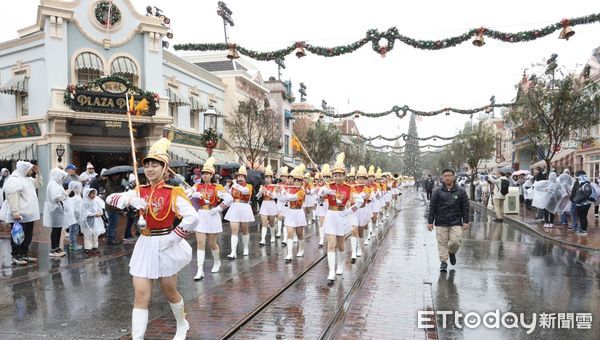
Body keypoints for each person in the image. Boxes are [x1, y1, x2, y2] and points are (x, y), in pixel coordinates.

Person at [106, 138, 198, 340]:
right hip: (145, 245)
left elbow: (193, 218)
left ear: (165, 169)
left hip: (166, 244)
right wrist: (130, 199)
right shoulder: (139, 190)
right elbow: (110, 199)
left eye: (155, 165)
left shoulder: (173, 192)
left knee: (170, 291)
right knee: (140, 295)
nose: (149, 169)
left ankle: (182, 324)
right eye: (147, 165)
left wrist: (173, 238)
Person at [319, 153, 363, 286]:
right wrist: (323, 194)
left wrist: (348, 211)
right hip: (331, 215)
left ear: (344, 175)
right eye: (335, 174)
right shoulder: (328, 186)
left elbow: (359, 202)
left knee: (341, 244)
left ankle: (340, 265)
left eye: (340, 174)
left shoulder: (349, 188)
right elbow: (319, 201)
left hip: (342, 216)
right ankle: (331, 271)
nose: (337, 177)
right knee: (331, 244)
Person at [188, 156, 232, 280]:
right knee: (200, 243)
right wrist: (192, 195)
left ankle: (217, 262)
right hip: (201, 214)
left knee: (212, 243)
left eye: (207, 173)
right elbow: (186, 196)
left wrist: (218, 209)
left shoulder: (216, 187)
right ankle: (200, 270)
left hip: (213, 215)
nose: (205, 176)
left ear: (212, 174)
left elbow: (229, 199)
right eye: (203, 173)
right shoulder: (197, 186)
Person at [427, 168, 469, 271]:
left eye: (449, 175)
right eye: (445, 176)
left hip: (455, 222)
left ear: (453, 177)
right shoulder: (437, 192)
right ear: (442, 178)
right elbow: (432, 207)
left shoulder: (460, 192)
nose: (447, 178)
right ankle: (443, 262)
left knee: (456, 241)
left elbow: (465, 206)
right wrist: (430, 222)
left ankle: (451, 252)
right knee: (442, 242)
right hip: (441, 222)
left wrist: (466, 221)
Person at [0, 161, 42, 265]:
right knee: (18, 235)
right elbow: (12, 196)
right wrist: (15, 212)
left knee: (27, 236)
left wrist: (38, 174)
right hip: (20, 215)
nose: (31, 171)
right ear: (24, 169)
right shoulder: (14, 179)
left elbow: (39, 184)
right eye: (30, 169)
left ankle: (24, 253)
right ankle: (16, 255)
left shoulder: (27, 179)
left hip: (28, 215)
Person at [277, 164, 308, 264]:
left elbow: (292, 197)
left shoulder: (302, 191)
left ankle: (301, 249)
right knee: (289, 233)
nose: (296, 182)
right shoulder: (289, 189)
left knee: (299, 234)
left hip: (299, 212)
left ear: (301, 181)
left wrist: (283, 190)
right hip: (290, 212)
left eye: (299, 180)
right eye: (295, 180)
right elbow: (282, 199)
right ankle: (289, 253)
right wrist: (279, 192)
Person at [224, 166, 254, 259]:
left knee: (245, 230)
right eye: (238, 176)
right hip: (234, 207)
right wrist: (227, 186)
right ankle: (233, 252)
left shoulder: (248, 186)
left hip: (244, 207)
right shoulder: (233, 186)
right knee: (234, 230)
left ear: (245, 178)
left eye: (241, 176)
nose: (239, 178)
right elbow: (225, 195)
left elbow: (245, 192)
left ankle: (246, 248)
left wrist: (235, 185)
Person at [348, 166, 372, 264]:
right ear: (357, 179)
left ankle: (360, 249)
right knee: (354, 230)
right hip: (354, 211)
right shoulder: (352, 188)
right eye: (359, 178)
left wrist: (355, 196)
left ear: (366, 180)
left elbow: (363, 197)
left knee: (361, 232)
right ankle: (353, 252)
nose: (361, 180)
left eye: (363, 178)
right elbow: (350, 199)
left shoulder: (368, 189)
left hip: (362, 211)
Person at [44, 168, 69, 257]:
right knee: (55, 229)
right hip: (54, 208)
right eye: (61, 176)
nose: (62, 178)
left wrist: (64, 195)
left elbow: (63, 194)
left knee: (58, 229)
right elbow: (55, 197)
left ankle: (57, 247)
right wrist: (64, 196)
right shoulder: (52, 184)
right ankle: (54, 248)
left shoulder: (57, 184)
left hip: (58, 207)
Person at [80, 187, 106, 257]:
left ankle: (95, 247)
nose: (94, 195)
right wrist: (94, 214)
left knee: (95, 235)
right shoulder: (85, 203)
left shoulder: (95, 202)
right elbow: (85, 213)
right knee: (88, 236)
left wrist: (100, 213)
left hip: (95, 222)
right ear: (88, 194)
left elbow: (99, 209)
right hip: (87, 222)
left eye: (94, 193)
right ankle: (88, 249)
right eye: (92, 194)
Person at [257, 165, 278, 245]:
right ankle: (263, 239)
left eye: (268, 177)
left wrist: (267, 191)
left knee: (272, 222)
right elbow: (258, 197)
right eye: (266, 177)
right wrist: (260, 192)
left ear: (271, 178)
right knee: (264, 222)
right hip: (265, 204)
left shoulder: (274, 186)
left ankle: (272, 236)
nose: (267, 179)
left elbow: (274, 196)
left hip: (272, 204)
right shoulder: (262, 186)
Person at [104, 174, 125, 245]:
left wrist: (121, 188)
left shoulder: (116, 183)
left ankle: (113, 237)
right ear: (112, 176)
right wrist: (119, 189)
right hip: (110, 206)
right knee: (112, 223)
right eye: (116, 176)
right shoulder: (109, 184)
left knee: (115, 223)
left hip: (115, 206)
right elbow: (112, 194)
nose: (117, 177)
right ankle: (110, 239)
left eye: (118, 176)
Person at [572, 170, 593, 236]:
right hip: (580, 204)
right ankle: (582, 229)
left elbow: (587, 194)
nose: (577, 179)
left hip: (584, 204)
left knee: (583, 217)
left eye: (578, 177)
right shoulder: (581, 183)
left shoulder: (586, 184)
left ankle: (584, 231)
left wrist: (578, 200)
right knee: (581, 217)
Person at [66, 181, 83, 252]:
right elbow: (76, 209)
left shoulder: (75, 197)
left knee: (74, 230)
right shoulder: (75, 198)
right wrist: (77, 216)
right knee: (74, 231)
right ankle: (73, 244)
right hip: (75, 218)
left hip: (75, 217)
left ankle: (73, 243)